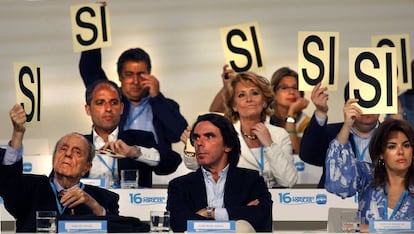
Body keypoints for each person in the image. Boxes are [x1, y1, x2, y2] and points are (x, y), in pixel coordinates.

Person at [0, 105, 119, 232]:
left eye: (77, 152)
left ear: (87, 167)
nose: (68, 154)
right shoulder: (30, 188)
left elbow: (123, 229)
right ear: (54, 158)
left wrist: (94, 206)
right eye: (63, 149)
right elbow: (8, 183)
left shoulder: (104, 199)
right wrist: (18, 133)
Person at [183, 71, 297, 188]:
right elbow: (195, 165)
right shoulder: (223, 133)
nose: (249, 99)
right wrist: (190, 145)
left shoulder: (279, 135)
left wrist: (269, 145)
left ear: (264, 102)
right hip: (235, 200)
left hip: (275, 201)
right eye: (241, 95)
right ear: (234, 106)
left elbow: (288, 181)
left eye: (255, 93)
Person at [167, 113, 273, 233]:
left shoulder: (251, 180)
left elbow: (262, 219)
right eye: (196, 137)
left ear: (228, 146)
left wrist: (210, 213)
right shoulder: (179, 185)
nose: (199, 143)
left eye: (209, 136)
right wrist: (236, 214)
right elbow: (179, 223)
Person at [79, 47, 188, 151]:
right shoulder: (112, 102)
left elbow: (178, 134)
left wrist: (157, 98)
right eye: (129, 74)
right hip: (116, 166)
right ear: (120, 76)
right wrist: (94, 39)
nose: (135, 81)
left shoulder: (164, 105)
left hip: (155, 168)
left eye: (141, 74)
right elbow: (90, 68)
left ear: (149, 74)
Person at [83, 79, 182, 188]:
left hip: (132, 203)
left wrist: (134, 152)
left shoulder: (139, 139)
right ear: (88, 109)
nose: (108, 109)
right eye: (100, 103)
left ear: (121, 108)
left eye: (114, 102)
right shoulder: (78, 144)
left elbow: (172, 162)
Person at [325, 118, 414, 231]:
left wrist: (373, 229)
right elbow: (338, 183)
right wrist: (347, 126)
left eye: (406, 145)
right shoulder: (367, 175)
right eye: (392, 146)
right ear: (381, 153)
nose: (401, 152)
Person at [299, 83, 380, 188]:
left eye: (372, 101)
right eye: (361, 102)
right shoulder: (332, 132)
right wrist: (321, 112)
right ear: (347, 105)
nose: (368, 107)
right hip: (336, 201)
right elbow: (308, 155)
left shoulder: (391, 135)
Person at [269, 67, 310, 154]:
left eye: (295, 88)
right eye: (284, 88)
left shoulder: (306, 122)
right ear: (273, 92)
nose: (291, 92)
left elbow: (294, 151)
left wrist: (291, 114)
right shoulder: (264, 118)